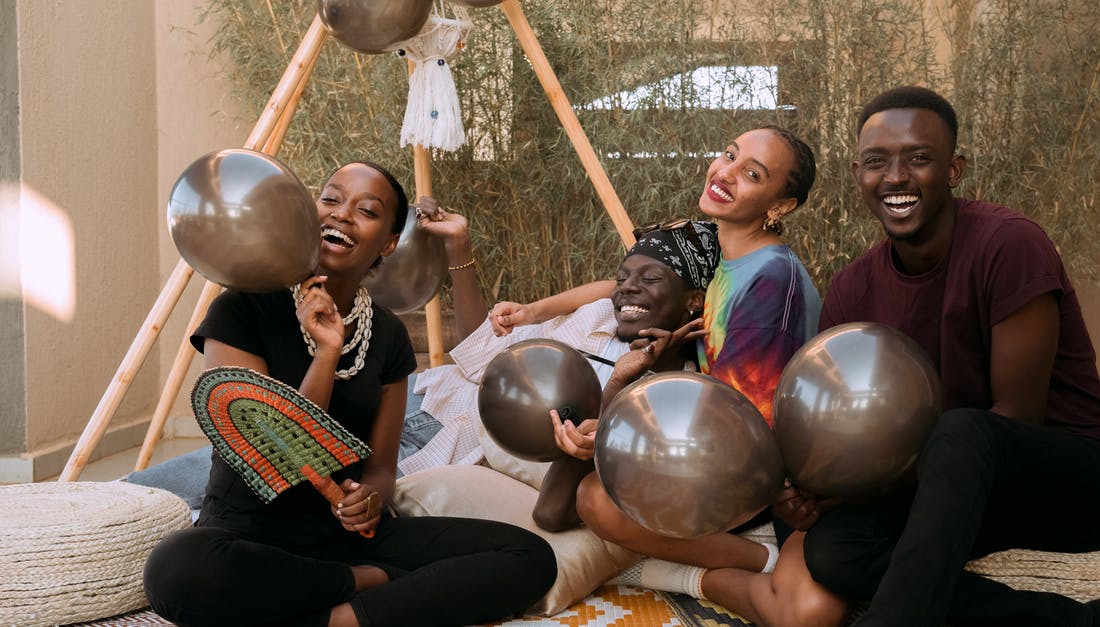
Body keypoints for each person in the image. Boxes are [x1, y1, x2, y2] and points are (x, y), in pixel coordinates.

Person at [701, 86, 1100, 627]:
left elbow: (1015, 418)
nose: (895, 177)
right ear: (858, 175)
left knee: (961, 433)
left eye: (918, 159)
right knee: (834, 550)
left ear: (954, 169)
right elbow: (837, 436)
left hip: (1078, 484)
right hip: (953, 486)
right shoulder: (854, 289)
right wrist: (812, 496)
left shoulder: (1009, 245)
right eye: (877, 163)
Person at [142, 161, 557, 627]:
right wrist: (325, 353)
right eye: (331, 199)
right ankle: (363, 588)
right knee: (175, 568)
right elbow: (270, 453)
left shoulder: (389, 336)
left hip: (340, 536)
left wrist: (371, 502)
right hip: (247, 533)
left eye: (367, 210)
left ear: (389, 243)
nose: (341, 215)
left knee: (529, 554)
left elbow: (380, 468)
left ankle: (338, 619)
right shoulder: (242, 308)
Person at [491, 126, 825, 596]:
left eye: (751, 173)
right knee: (579, 488)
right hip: (705, 442)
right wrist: (535, 311)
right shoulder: (726, 255)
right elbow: (620, 282)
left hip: (740, 469)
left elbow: (744, 423)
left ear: (780, 206)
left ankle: (759, 559)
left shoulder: (771, 279)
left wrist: (620, 437)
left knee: (596, 500)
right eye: (728, 154)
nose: (725, 172)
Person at [402, 210, 720, 531]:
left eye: (649, 279)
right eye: (621, 279)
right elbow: (482, 353)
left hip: (440, 448)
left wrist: (623, 380)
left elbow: (553, 511)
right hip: (427, 396)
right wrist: (459, 245)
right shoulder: (599, 317)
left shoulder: (668, 400)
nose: (625, 289)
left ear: (694, 299)